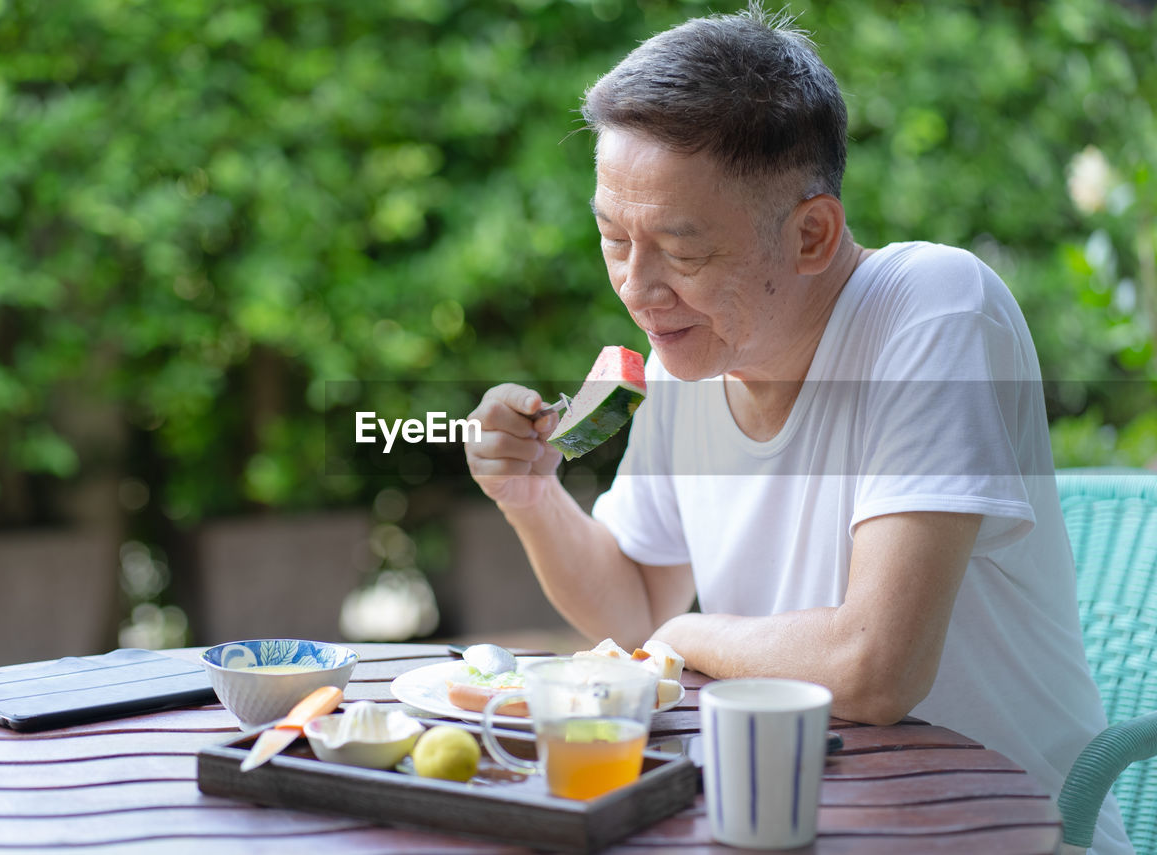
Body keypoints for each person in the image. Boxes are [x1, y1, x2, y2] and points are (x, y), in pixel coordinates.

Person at [464, 7, 1131, 854]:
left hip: (1006, 833)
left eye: (682, 249)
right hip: (798, 826)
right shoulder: (683, 366)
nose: (638, 287)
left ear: (812, 232)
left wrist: (684, 638)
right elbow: (631, 605)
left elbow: (875, 666)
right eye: (612, 238)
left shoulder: (933, 308)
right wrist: (530, 496)